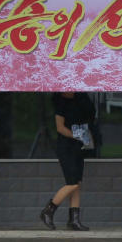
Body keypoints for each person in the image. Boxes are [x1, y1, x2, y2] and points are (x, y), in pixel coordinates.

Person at [39, 91, 95, 231]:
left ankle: (74, 220)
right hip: (66, 147)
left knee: (77, 183)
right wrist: (76, 136)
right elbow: (60, 128)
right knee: (72, 184)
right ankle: (48, 210)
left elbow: (90, 116)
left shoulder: (81, 99)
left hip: (79, 146)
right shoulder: (60, 103)